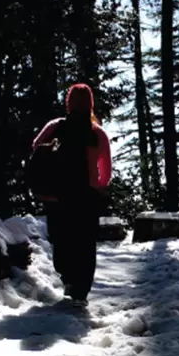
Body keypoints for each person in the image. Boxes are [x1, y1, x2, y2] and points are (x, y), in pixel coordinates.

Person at [31, 83, 113, 303]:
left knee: (62, 239)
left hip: (58, 195)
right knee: (85, 244)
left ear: (68, 103)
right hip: (87, 196)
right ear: (91, 104)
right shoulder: (98, 134)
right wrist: (98, 186)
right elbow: (106, 172)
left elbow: (37, 147)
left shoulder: (55, 127)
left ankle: (68, 278)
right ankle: (81, 290)